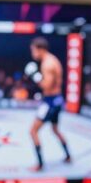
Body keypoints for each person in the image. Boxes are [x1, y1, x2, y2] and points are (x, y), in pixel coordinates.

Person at [29, 37, 72, 171]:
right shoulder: (53, 59)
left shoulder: (47, 64)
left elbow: (46, 87)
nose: (32, 53)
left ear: (40, 49)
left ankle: (40, 164)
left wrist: (35, 76)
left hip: (50, 101)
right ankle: (68, 156)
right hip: (58, 99)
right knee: (55, 129)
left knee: (33, 131)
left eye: (33, 50)